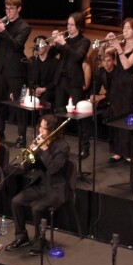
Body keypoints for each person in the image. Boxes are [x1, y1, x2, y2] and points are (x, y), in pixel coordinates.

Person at [6, 114, 73, 255]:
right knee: (16, 201)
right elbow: (28, 168)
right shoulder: (40, 142)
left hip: (56, 188)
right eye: (40, 127)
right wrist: (30, 154)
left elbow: (53, 168)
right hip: (41, 184)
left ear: (53, 130)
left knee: (37, 208)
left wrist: (44, 150)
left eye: (45, 128)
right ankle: (21, 237)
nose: (40, 131)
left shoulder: (63, 147)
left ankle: (39, 240)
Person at [0, 0, 31, 148]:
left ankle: (21, 136)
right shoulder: (2, 23)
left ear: (19, 9)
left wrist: (3, 31)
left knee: (19, 104)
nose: (8, 11)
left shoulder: (24, 27)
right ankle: (0, 130)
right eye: (6, 8)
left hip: (15, 70)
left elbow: (16, 46)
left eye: (11, 8)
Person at [49, 11, 92, 158]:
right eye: (68, 24)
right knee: (58, 114)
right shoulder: (64, 40)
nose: (68, 27)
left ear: (79, 26)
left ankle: (85, 147)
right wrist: (54, 43)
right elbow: (50, 56)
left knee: (80, 114)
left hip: (74, 81)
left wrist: (63, 43)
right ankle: (57, 146)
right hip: (61, 80)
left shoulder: (84, 41)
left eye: (71, 24)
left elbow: (77, 57)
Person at [105, 19, 133, 164]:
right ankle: (118, 151)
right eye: (124, 27)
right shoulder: (120, 45)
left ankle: (130, 152)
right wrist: (111, 42)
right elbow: (107, 54)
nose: (125, 30)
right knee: (116, 116)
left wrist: (118, 49)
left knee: (128, 118)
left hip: (129, 86)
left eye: (128, 28)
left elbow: (127, 65)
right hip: (117, 82)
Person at [27, 35, 59, 108]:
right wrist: (34, 90)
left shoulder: (55, 62)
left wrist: (44, 89)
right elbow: (29, 78)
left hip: (49, 91)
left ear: (47, 47)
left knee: (44, 100)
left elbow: (56, 81)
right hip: (35, 90)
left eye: (40, 45)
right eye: (36, 45)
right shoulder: (31, 60)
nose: (38, 48)